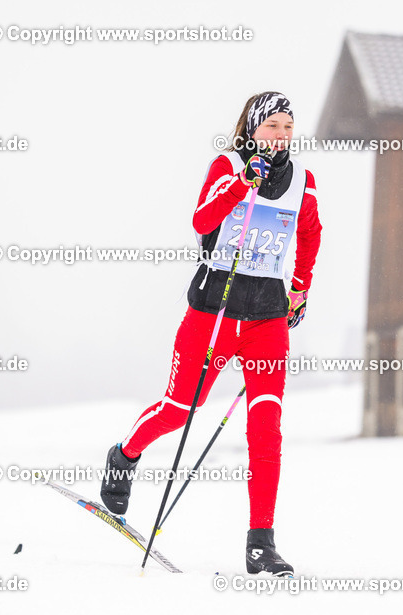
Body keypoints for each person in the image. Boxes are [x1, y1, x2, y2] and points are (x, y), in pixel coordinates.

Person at [101, 92, 323, 575]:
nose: (281, 136)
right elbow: (202, 220)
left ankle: (260, 542)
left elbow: (310, 233)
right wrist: (242, 185)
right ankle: (124, 455)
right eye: (272, 127)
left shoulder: (302, 180)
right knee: (180, 410)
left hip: (266, 320)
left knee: (266, 430)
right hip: (213, 313)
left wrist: (300, 289)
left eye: (288, 127)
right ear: (253, 127)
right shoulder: (226, 165)